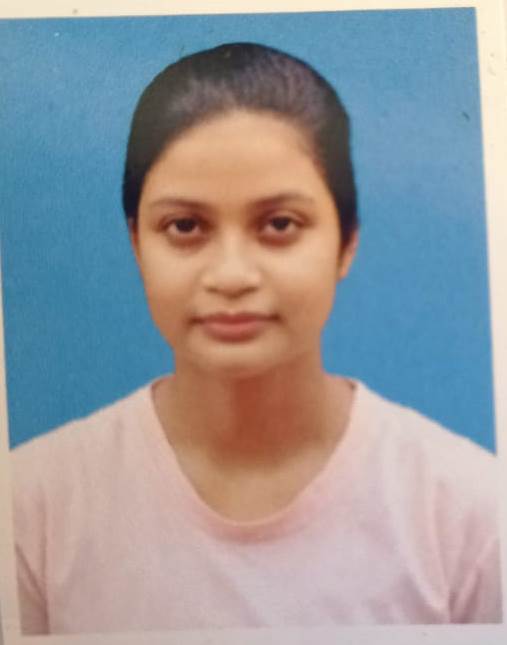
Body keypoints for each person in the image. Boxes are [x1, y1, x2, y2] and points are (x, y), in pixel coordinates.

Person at [12, 42, 501, 634]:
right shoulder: (31, 510)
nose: (232, 275)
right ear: (138, 243)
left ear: (346, 240)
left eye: (279, 224)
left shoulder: (471, 514)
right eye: (185, 226)